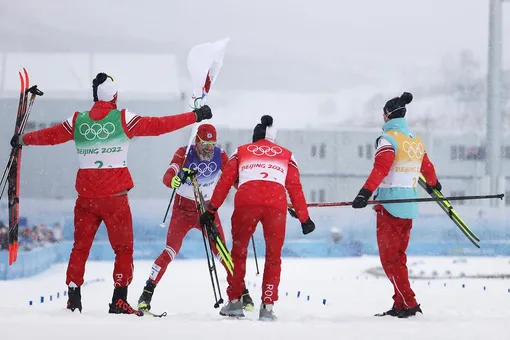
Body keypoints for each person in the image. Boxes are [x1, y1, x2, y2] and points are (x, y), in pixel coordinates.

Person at [9, 72, 213, 316]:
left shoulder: (78, 120)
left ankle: (73, 299)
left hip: (86, 199)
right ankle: (119, 299)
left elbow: (49, 136)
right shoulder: (123, 118)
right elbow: (160, 125)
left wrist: (24, 139)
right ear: (114, 95)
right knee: (123, 250)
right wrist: (195, 116)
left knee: (80, 248)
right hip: (115, 200)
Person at [199, 115, 315, 321]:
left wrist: (211, 210)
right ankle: (267, 307)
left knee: (239, 252)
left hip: (246, 203)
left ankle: (235, 303)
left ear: (256, 136)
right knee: (273, 257)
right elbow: (295, 188)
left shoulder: (241, 151)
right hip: (276, 206)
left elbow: (225, 181)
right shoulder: (287, 155)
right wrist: (304, 218)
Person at [137, 124, 254, 312]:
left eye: (212, 143)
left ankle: (243, 293)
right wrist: (172, 180)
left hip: (207, 211)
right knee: (169, 251)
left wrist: (249, 192)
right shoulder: (184, 153)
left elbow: (234, 180)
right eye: (204, 142)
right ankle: (146, 293)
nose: (208, 147)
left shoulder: (220, 155)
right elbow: (169, 174)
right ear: (197, 141)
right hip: (182, 211)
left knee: (223, 253)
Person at [351, 92, 440, 318]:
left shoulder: (388, 139)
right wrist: (434, 184)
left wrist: (365, 192)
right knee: (398, 258)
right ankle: (400, 304)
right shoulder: (414, 140)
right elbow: (426, 167)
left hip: (390, 206)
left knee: (390, 260)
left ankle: (409, 303)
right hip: (409, 206)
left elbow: (381, 169)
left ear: (388, 115)